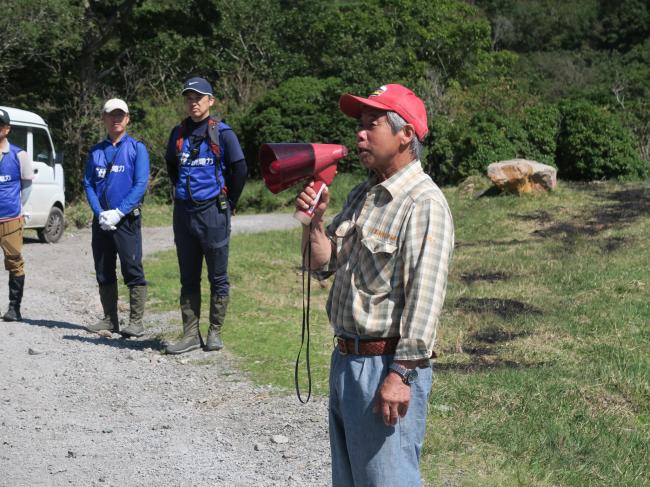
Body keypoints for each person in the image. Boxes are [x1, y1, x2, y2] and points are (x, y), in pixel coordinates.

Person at [296, 84, 454, 486]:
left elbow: (426, 298)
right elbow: (323, 264)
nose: (360, 134)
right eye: (359, 125)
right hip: (347, 362)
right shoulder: (363, 193)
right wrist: (313, 223)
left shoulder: (423, 202)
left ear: (406, 135)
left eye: (372, 124)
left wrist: (400, 376)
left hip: (387, 367)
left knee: (388, 480)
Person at [164, 77, 247, 354]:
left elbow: (240, 169)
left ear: (210, 101)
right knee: (188, 276)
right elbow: (171, 165)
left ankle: (215, 331)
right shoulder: (178, 133)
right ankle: (190, 334)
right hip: (184, 214)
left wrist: (230, 201)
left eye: (199, 97)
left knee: (217, 276)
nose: (193, 102)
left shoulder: (222, 133)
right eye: (189, 97)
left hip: (213, 212)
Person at [83, 98, 150, 337]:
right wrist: (99, 213)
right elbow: (89, 183)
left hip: (126, 220)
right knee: (103, 269)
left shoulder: (137, 148)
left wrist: (119, 212)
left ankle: (136, 322)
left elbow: (140, 183)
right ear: (104, 118)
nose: (116, 119)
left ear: (128, 118)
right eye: (111, 115)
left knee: (132, 268)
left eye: (120, 115)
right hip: (101, 222)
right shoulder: (96, 151)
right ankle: (110, 319)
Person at [0, 108, 33, 322]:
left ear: (7, 129)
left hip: (10, 218)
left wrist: (19, 208)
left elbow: (27, 185)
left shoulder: (19, 155)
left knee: (14, 261)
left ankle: (14, 308)